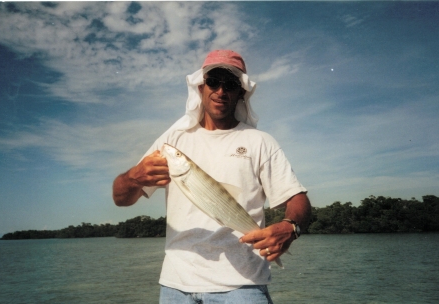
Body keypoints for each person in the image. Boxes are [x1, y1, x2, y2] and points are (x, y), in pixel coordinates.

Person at [112, 50, 311, 304]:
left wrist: (290, 228)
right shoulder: (172, 140)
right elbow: (120, 198)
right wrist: (133, 177)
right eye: (214, 81)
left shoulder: (260, 142)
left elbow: (299, 200)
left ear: (241, 92)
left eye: (230, 84)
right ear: (200, 86)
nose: (220, 90)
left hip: (243, 287)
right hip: (176, 287)